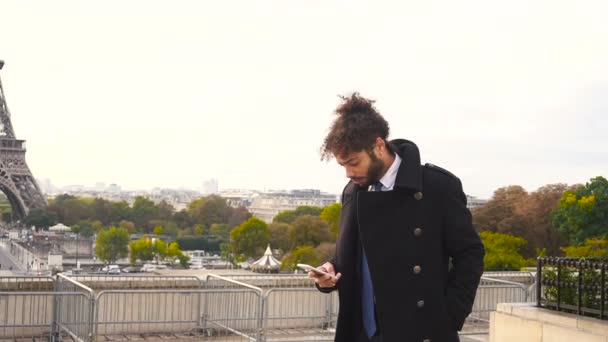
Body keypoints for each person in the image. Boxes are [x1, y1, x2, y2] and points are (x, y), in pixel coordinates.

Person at [310, 93, 485, 342]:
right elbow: (351, 257)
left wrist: (449, 316)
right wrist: (329, 273)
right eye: (343, 165)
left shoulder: (437, 187)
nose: (348, 173)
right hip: (361, 332)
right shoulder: (352, 192)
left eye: (353, 162)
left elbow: (470, 253)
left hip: (420, 332)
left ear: (379, 146)